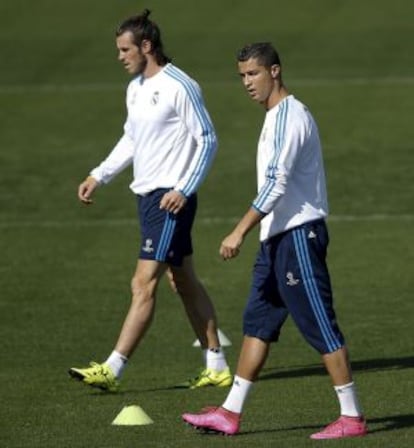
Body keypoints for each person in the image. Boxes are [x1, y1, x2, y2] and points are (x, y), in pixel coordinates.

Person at [182, 42, 367, 439]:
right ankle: (230, 413)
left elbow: (276, 184)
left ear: (275, 71)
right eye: (242, 76)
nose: (247, 83)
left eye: (253, 74)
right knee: (258, 324)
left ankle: (351, 416)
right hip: (276, 242)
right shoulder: (272, 117)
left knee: (319, 324)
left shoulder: (289, 117)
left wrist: (239, 230)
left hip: (298, 236)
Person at [68, 9, 232, 392]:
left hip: (170, 200)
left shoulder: (180, 85)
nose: (120, 56)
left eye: (125, 49)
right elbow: (132, 138)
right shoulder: (136, 87)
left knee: (143, 283)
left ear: (147, 46)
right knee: (183, 280)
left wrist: (184, 189)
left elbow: (207, 138)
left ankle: (113, 367)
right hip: (148, 197)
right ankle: (217, 364)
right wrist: (99, 174)